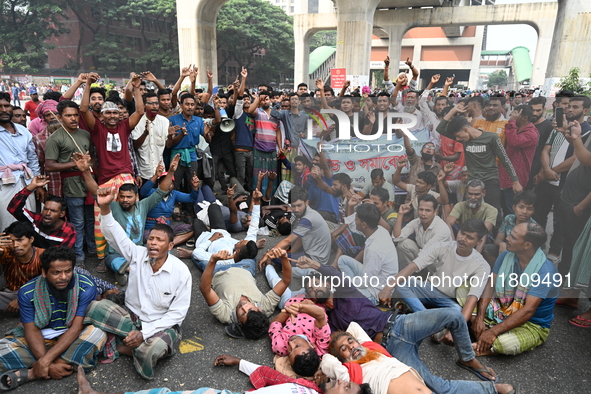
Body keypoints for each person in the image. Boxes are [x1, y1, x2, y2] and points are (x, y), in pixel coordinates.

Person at [85, 185, 192, 380]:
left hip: (160, 324)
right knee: (94, 308)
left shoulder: (181, 272)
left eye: (159, 240)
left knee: (151, 350)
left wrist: (144, 334)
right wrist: (105, 208)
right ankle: (128, 342)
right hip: (131, 316)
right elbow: (114, 235)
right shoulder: (137, 253)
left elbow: (178, 313)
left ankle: (120, 344)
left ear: (170, 246)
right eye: (151, 238)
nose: (153, 243)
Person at [0, 246, 106, 390]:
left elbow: (76, 327)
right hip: (40, 339)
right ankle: (61, 366)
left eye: (68, 271)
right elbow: (31, 331)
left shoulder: (86, 286)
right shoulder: (27, 292)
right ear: (44, 272)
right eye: (56, 272)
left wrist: (45, 362)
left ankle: (33, 372)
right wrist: (48, 363)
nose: (63, 277)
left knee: (96, 334)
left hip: (73, 336)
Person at [322, 321, 517, 394]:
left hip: (422, 385)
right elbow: (327, 361)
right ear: (343, 360)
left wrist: (350, 343)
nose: (351, 347)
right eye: (344, 349)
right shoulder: (352, 375)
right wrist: (338, 355)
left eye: (351, 342)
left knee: (443, 386)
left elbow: (354, 327)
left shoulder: (374, 350)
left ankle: (491, 389)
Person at [472, 222, 559, 356]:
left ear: (527, 245)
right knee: (464, 289)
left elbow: (528, 310)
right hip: (500, 308)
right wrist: (480, 316)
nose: (507, 238)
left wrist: (493, 331)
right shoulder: (505, 255)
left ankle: (485, 341)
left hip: (531, 324)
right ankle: (483, 332)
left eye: (513, 237)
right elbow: (490, 285)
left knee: (505, 344)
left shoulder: (546, 272)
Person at [74, 359, 373, 394]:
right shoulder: (306, 386)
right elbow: (269, 374)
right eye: (348, 383)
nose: (343, 382)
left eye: (347, 390)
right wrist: (238, 360)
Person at [438, 113, 522, 222]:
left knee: (494, 211)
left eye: (458, 136)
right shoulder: (464, 140)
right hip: (472, 180)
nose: (457, 139)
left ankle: (495, 236)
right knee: (466, 209)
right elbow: (440, 128)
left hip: (490, 179)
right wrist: (454, 110)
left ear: (466, 130)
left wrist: (515, 181)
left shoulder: (491, 138)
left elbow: (505, 160)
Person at [199, 248, 292, 340]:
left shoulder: (226, 314)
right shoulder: (265, 306)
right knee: (250, 248)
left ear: (239, 322)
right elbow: (285, 281)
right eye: (250, 309)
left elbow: (205, 289)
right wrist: (284, 258)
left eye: (243, 314)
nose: (244, 307)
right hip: (245, 267)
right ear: (259, 309)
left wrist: (212, 260)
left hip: (218, 270)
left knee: (197, 255)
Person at [45, 100, 93, 267]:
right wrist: (75, 164)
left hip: (88, 181)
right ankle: (79, 256)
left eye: (75, 115)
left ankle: (92, 249)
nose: (73, 118)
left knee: (91, 218)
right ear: (60, 117)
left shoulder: (84, 134)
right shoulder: (55, 138)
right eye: (68, 115)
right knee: (77, 222)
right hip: (71, 184)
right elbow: (49, 165)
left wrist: (87, 162)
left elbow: (91, 156)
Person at [182, 189, 262, 275]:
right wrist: (257, 202)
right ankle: (208, 225)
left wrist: (211, 239)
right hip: (220, 231)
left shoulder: (223, 258)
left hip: (204, 238)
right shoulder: (246, 245)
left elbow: (197, 253)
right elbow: (254, 226)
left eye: (241, 242)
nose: (241, 239)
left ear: (238, 251)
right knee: (213, 207)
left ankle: (204, 225)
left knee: (197, 221)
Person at [337, 203, 398, 305]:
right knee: (342, 260)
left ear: (364, 224)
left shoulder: (374, 249)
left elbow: (366, 282)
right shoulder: (380, 230)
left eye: (356, 219)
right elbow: (352, 225)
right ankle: (348, 284)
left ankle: (349, 287)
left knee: (339, 294)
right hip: (372, 276)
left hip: (375, 292)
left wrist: (344, 284)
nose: (355, 221)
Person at [0, 92, 41, 232]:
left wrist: (37, 185)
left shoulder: (23, 131)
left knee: (27, 222)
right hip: (4, 184)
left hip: (26, 182)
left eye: (6, 106)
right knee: (7, 225)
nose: (4, 110)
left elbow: (32, 160)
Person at [8, 175, 76, 249]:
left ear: (62, 214)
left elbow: (63, 256)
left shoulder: (68, 230)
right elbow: (13, 208)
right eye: (45, 209)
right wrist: (31, 187)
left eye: (53, 211)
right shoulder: (36, 219)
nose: (47, 213)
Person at [269, 297, 330, 377]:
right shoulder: (321, 348)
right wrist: (301, 307)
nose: (290, 343)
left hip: (290, 301)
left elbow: (275, 322)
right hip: (319, 302)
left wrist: (292, 309)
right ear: (312, 345)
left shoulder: (280, 345)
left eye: (290, 351)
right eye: (297, 346)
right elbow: (320, 315)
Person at [392, 194, 451, 269]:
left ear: (435, 212)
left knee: (428, 256)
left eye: (428, 210)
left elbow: (427, 251)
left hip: (439, 263)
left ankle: (418, 271)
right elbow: (397, 237)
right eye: (421, 209)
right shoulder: (417, 222)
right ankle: (418, 271)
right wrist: (400, 214)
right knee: (403, 243)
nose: (423, 214)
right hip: (423, 257)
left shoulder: (442, 228)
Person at [499, 106, 539, 214]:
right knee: (503, 207)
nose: (512, 116)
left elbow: (514, 142)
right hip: (504, 175)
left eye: (516, 114)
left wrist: (512, 122)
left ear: (524, 118)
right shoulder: (516, 129)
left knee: (512, 209)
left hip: (516, 178)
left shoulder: (532, 133)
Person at [482, 191, 538, 265]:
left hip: (522, 256)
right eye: (521, 207)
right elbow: (498, 240)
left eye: (529, 209)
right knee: (488, 248)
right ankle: (497, 270)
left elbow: (531, 252)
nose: (524, 211)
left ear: (533, 211)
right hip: (506, 250)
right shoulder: (508, 219)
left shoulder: (534, 227)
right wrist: (502, 244)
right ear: (514, 207)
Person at [131, 92, 169, 184]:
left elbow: (167, 145)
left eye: (156, 103)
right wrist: (145, 133)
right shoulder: (137, 122)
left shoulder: (164, 121)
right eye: (151, 103)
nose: (154, 106)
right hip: (143, 173)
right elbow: (135, 146)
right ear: (144, 105)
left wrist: (171, 136)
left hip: (160, 171)